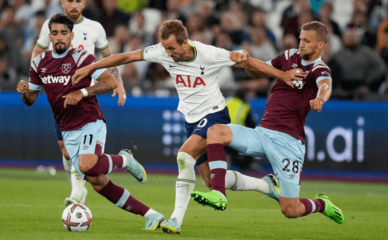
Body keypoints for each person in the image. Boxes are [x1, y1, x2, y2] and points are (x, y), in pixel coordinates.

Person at [72, 20, 303, 234]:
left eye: (172, 48)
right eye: (165, 48)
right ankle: (266, 185)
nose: (168, 54)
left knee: (184, 156)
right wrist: (91, 68)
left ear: (185, 43)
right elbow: (125, 57)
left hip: (214, 115)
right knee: (212, 181)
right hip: (191, 120)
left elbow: (249, 62)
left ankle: (175, 220)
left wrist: (282, 75)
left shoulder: (209, 53)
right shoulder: (162, 51)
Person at [17, 14, 165, 230]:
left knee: (87, 165)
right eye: (55, 33)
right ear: (49, 36)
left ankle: (124, 160)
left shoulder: (82, 58)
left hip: (90, 121)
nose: (59, 37)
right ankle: (151, 214)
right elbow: (31, 99)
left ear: (71, 35)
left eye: (64, 33)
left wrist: (83, 92)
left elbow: (110, 82)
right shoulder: (39, 63)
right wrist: (25, 92)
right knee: (97, 182)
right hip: (67, 129)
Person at [191, 21, 345, 225]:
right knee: (215, 132)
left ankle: (321, 204)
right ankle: (219, 194)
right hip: (262, 133)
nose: (301, 44)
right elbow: (259, 72)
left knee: (291, 210)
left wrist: (320, 99)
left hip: (288, 142)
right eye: (300, 39)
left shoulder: (320, 69)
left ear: (320, 45)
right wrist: (248, 62)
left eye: (307, 41)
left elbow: (325, 86)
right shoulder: (290, 56)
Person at [31, 0, 126, 207]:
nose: (73, 5)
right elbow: (38, 53)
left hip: (86, 93)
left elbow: (108, 57)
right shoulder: (51, 24)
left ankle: (77, 192)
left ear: (83, 3)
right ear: (63, 2)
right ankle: (78, 189)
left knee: (83, 150)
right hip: (59, 93)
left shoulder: (95, 28)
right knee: (65, 150)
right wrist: (37, 80)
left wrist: (118, 83)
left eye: (78, 1)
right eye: (69, 1)